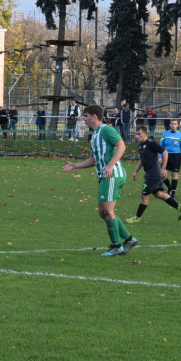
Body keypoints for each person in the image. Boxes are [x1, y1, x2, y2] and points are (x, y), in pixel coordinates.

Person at [61, 104, 137, 256]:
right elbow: (94, 160)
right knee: (104, 212)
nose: (84, 119)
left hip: (112, 174)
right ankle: (128, 239)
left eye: (86, 116)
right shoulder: (95, 135)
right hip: (105, 176)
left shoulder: (106, 129)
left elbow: (121, 146)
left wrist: (110, 165)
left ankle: (116, 246)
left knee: (106, 210)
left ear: (94, 116)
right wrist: (75, 166)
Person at [126, 125, 181, 223]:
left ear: (145, 134)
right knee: (158, 194)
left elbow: (165, 152)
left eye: (139, 134)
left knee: (144, 195)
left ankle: (137, 218)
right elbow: (142, 159)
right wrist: (136, 171)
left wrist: (164, 168)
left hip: (153, 175)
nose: (137, 136)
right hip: (150, 173)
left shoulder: (151, 143)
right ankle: (178, 207)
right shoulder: (140, 145)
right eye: (136, 134)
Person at [159, 117, 181, 198]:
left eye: (175, 124)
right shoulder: (165, 133)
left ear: (177, 125)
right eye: (172, 123)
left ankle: (173, 194)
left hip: (176, 156)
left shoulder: (180, 135)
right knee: (163, 175)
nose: (173, 125)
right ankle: (170, 188)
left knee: (174, 176)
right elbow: (161, 146)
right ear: (169, 124)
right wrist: (160, 156)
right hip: (166, 156)